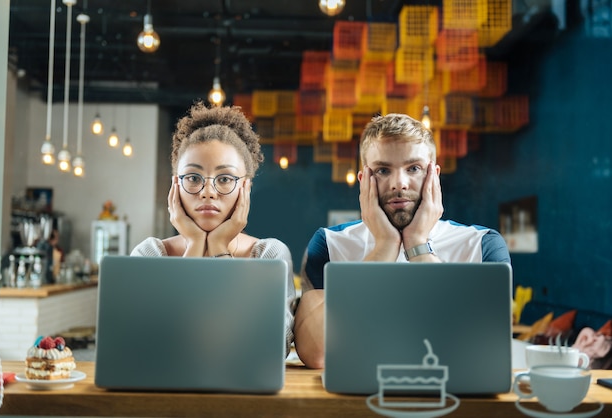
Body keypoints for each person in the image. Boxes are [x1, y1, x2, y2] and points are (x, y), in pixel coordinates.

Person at [293, 113, 511, 368]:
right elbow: (315, 353)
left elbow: (486, 348)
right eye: (383, 170)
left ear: (434, 176)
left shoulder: (482, 245)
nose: (400, 183)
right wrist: (384, 247)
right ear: (364, 180)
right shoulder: (329, 244)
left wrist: (417, 244)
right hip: (353, 402)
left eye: (414, 168)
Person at [130, 102, 296, 354]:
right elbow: (149, 343)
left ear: (246, 188)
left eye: (225, 179)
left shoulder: (269, 256)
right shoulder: (150, 255)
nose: (208, 192)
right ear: (176, 185)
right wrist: (195, 245)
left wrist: (219, 247)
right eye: (194, 178)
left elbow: (273, 347)